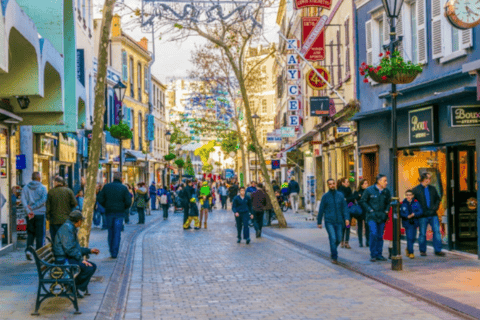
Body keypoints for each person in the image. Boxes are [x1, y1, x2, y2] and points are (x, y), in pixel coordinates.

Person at [52, 211, 100, 298]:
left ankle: (77, 287)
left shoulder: (70, 227)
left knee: (92, 266)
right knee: (88, 268)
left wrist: (89, 251)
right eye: (81, 220)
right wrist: (81, 260)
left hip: (66, 257)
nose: (81, 223)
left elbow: (74, 248)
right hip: (63, 260)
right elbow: (70, 249)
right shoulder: (67, 229)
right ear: (78, 221)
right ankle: (76, 287)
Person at [97, 172, 132, 258]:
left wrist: (106, 205)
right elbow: (128, 201)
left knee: (110, 232)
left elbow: (100, 198)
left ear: (113, 178)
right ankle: (115, 252)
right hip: (119, 213)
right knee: (117, 232)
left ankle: (111, 250)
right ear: (121, 178)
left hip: (109, 212)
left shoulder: (107, 187)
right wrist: (123, 207)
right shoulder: (123, 188)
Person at [359, 174, 391, 262]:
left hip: (382, 216)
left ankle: (379, 254)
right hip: (372, 217)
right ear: (379, 181)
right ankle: (373, 254)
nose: (386, 183)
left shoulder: (386, 191)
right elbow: (363, 201)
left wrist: (386, 211)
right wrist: (370, 209)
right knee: (373, 233)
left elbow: (389, 202)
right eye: (384, 181)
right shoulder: (369, 190)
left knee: (380, 235)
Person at [412, 173, 445, 257]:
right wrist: (419, 211)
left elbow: (438, 199)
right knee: (422, 233)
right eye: (428, 178)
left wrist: (435, 208)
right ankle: (422, 251)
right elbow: (412, 202)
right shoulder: (416, 190)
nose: (429, 180)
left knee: (437, 232)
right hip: (422, 215)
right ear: (423, 179)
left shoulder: (433, 189)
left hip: (433, 214)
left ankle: (438, 250)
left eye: (430, 178)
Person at [317, 179, 349, 264]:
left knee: (339, 238)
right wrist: (319, 222)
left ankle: (333, 248)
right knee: (333, 238)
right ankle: (334, 256)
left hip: (339, 221)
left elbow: (345, 207)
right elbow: (321, 209)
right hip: (329, 221)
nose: (332, 185)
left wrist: (346, 218)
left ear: (335, 184)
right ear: (328, 185)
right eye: (330, 184)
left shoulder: (340, 195)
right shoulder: (325, 196)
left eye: (333, 184)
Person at [22, 172, 48, 260]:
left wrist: (29, 209)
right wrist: (34, 207)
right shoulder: (43, 188)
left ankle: (28, 250)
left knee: (30, 233)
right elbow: (44, 199)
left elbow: (23, 200)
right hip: (40, 213)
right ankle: (38, 253)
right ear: (39, 178)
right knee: (40, 234)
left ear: (32, 178)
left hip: (30, 214)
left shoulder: (25, 188)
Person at [46, 176, 77, 243]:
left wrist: (48, 217)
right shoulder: (69, 191)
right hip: (66, 220)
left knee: (55, 239)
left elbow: (48, 206)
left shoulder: (51, 192)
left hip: (54, 220)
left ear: (56, 182)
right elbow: (74, 203)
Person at [400, 189, 423, 259]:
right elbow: (400, 213)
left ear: (412, 196)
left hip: (414, 222)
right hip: (407, 223)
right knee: (409, 237)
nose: (408, 196)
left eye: (410, 195)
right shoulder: (403, 203)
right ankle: (411, 252)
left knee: (413, 238)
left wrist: (414, 214)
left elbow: (420, 211)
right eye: (407, 195)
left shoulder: (416, 203)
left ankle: (408, 248)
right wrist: (406, 216)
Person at [337, 177, 357, 249]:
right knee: (343, 227)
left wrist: (349, 204)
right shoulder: (339, 191)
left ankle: (346, 242)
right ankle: (342, 241)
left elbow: (352, 200)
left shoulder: (349, 190)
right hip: (342, 211)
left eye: (348, 182)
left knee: (348, 227)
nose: (348, 183)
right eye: (347, 182)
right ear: (343, 183)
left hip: (349, 211)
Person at [352, 179, 370, 247]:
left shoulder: (368, 191)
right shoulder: (357, 191)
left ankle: (367, 241)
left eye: (367, 183)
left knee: (367, 226)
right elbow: (353, 199)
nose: (366, 185)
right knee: (360, 227)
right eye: (365, 183)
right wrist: (358, 196)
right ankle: (360, 242)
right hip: (359, 211)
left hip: (366, 211)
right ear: (361, 185)